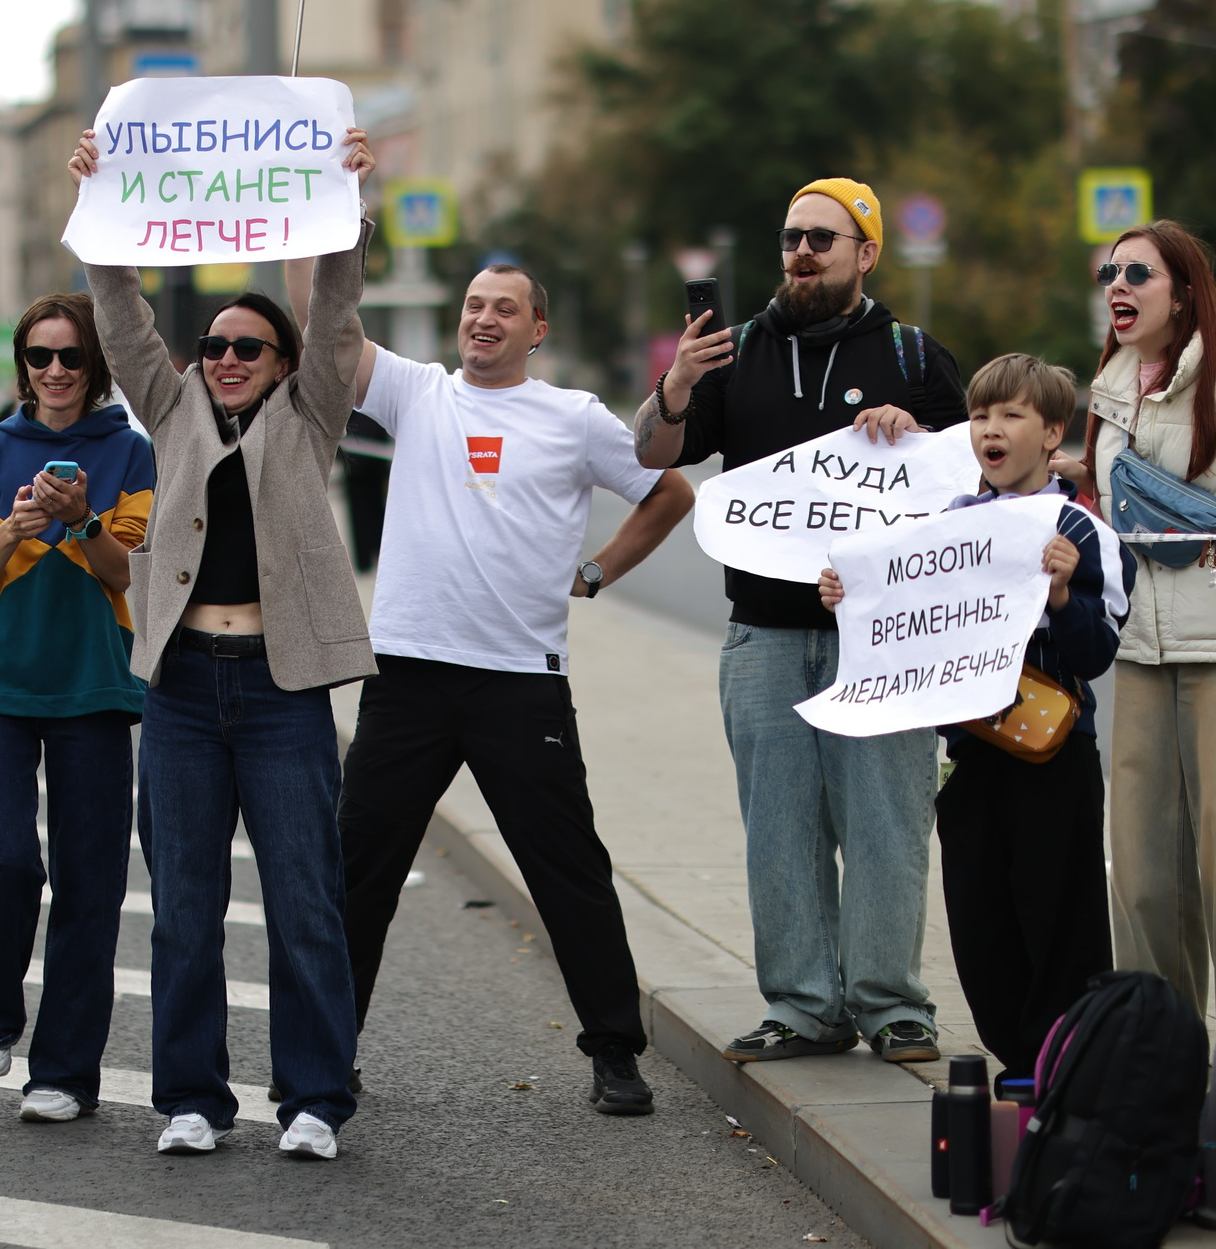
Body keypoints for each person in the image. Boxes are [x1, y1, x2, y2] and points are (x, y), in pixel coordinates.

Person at [315, 261, 697, 1115]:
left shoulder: (572, 418)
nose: (485, 320)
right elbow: (332, 332)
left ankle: (615, 1053)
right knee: (358, 871)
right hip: (408, 675)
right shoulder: (417, 393)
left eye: (506, 310)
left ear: (537, 330)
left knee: (568, 871)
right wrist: (339, 214)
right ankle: (326, 1052)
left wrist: (596, 572)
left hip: (521, 683)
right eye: (475, 306)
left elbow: (668, 492)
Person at [71, 125, 377, 1163]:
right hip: (185, 692)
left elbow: (339, 315)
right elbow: (120, 326)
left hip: (284, 690)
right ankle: (191, 1096)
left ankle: (314, 1100)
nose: (229, 359)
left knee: (303, 904)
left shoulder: (312, 413)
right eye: (215, 345)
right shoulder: (170, 410)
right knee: (184, 910)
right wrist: (101, 217)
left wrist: (344, 206)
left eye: (250, 346)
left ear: (283, 363)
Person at [633, 178, 968, 1065]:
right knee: (779, 831)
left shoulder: (912, 358)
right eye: (791, 238)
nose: (803, 253)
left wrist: (921, 439)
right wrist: (673, 387)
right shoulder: (733, 351)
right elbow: (655, 453)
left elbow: (975, 481)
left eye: (825, 238)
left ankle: (893, 1005)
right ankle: (803, 1006)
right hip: (764, 638)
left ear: (866, 252)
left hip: (884, 641)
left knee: (887, 827)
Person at [822, 354, 1132, 1078]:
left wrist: (1061, 597)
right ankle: (1014, 1054)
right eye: (982, 415)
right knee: (980, 916)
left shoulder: (1079, 532)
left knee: (1059, 917)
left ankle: (1063, 1066)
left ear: (1053, 434)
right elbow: (905, 624)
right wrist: (853, 598)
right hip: (971, 758)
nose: (991, 430)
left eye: (1012, 415)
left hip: (1052, 758)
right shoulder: (944, 526)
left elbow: (1096, 652)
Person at [0, 293, 156, 1124]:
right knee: (0, 859)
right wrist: (15, 528)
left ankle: (64, 1074)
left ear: (95, 364)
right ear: (22, 364)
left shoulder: (131, 451)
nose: (56, 372)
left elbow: (126, 570)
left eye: (71, 357)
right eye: (40, 357)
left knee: (89, 885)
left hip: (95, 686)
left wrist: (81, 520)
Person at [1083, 220, 1216, 1024]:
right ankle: (1157, 1067)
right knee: (1143, 883)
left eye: (1138, 274)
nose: (1118, 287)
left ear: (1184, 290)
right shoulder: (1111, 384)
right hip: (1136, 650)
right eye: (1109, 275)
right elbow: (1102, 504)